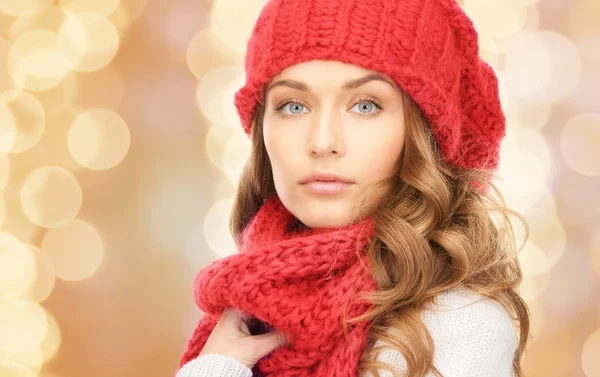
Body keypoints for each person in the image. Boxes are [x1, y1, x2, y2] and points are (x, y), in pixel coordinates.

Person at [174, 0, 531, 376]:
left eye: (365, 106)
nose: (323, 141)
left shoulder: (460, 325)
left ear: (421, 133)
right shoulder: (246, 308)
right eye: (293, 106)